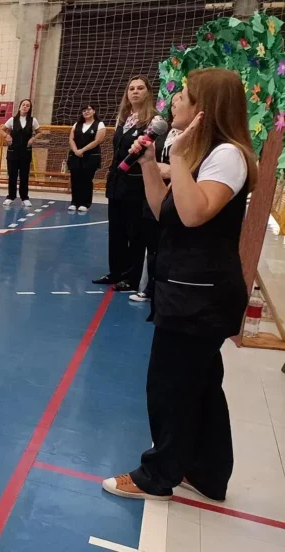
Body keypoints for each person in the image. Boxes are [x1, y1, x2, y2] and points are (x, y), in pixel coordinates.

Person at [102, 68, 256, 504]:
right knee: (201, 385)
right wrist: (150, 163)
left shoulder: (227, 156)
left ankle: (158, 475)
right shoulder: (203, 155)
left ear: (205, 108)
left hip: (201, 295)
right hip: (184, 288)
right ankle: (206, 472)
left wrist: (182, 159)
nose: (174, 101)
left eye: (184, 95)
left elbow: (193, 214)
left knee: (170, 386)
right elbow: (163, 211)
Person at [93, 76, 158, 292]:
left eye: (140, 88)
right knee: (116, 231)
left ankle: (132, 277)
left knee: (135, 233)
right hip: (117, 183)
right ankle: (116, 272)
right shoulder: (124, 118)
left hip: (137, 185)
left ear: (148, 92)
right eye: (131, 88)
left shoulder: (153, 122)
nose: (135, 92)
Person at [132, 93, 183, 304]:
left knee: (169, 244)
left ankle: (165, 288)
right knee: (151, 243)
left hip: (177, 195)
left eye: (181, 100)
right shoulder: (163, 132)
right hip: (155, 193)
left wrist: (170, 170)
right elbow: (152, 160)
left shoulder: (193, 138)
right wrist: (152, 165)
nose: (176, 105)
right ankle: (150, 286)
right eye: (174, 102)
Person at [67, 104, 107, 213]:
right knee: (75, 179)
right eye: (84, 110)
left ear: (94, 111)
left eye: (89, 109)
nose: (86, 112)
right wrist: (76, 150)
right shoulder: (77, 124)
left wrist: (82, 150)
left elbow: (97, 140)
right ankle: (74, 202)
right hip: (75, 156)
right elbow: (71, 139)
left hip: (90, 157)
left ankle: (85, 203)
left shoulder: (99, 124)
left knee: (86, 180)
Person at [0, 99, 40, 208]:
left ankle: (25, 198)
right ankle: (10, 196)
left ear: (29, 108)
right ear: (20, 106)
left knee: (24, 176)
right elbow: (1, 130)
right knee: (12, 175)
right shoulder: (12, 120)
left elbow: (39, 132)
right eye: (23, 105)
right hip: (13, 151)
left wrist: (33, 139)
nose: (25, 106)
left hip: (25, 152)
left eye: (27, 105)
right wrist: (7, 136)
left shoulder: (33, 120)